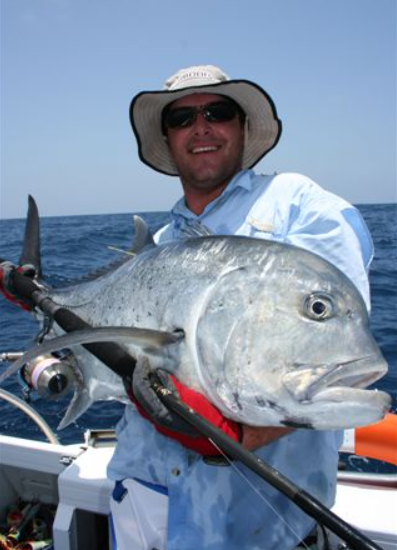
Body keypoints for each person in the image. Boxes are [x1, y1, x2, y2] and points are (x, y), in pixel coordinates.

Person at [107, 65, 374, 550]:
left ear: (243, 126)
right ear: (167, 139)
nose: (201, 127)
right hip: (143, 503)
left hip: (256, 529)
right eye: (183, 118)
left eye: (219, 111)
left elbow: (326, 343)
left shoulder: (302, 207)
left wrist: (239, 435)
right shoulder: (162, 246)